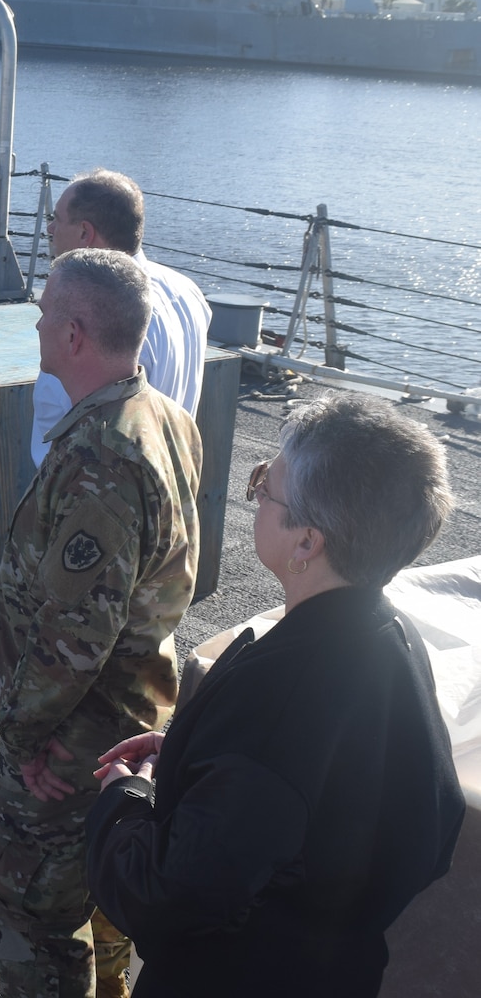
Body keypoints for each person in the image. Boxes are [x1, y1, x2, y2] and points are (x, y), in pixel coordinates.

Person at [86, 393, 464, 997]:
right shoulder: (391, 640)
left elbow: (163, 898)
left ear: (307, 543)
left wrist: (124, 795)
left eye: (265, 484)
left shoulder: (280, 702)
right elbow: (427, 826)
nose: (255, 495)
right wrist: (192, 754)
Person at [0, 249, 201, 998]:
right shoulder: (162, 417)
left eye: (45, 313)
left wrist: (26, 737)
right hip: (128, 714)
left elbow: (76, 639)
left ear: (74, 334)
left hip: (74, 733)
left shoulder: (100, 457)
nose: (37, 323)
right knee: (103, 901)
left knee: (34, 916)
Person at [31, 169, 211, 466]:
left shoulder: (95, 313)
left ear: (85, 233)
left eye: (58, 219)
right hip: (164, 474)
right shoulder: (187, 292)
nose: (50, 229)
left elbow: (66, 415)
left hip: (90, 491)